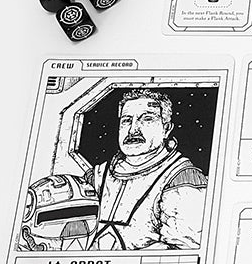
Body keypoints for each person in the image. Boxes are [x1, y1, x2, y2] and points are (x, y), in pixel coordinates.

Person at [85, 89, 207, 250]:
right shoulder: (97, 175)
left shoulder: (182, 177)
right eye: (126, 120)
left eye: (147, 119)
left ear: (166, 129)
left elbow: (186, 251)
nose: (133, 130)